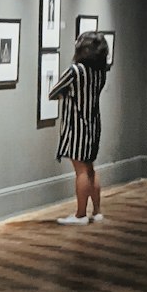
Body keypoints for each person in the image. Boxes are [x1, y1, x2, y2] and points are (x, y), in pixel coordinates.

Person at [48, 30, 109, 225]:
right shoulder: (100, 72)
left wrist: (66, 95)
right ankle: (97, 211)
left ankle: (80, 214)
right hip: (93, 123)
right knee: (90, 168)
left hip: (77, 127)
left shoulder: (75, 71)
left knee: (80, 170)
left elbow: (54, 92)